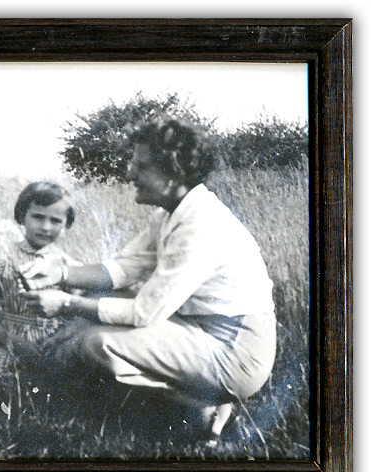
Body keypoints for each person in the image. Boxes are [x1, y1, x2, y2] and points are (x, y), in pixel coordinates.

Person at [21, 117, 277, 443]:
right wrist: (61, 273)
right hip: (198, 330)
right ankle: (193, 400)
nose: (129, 172)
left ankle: (200, 404)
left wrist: (67, 304)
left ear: (173, 174)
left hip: (234, 354)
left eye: (141, 166)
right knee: (97, 298)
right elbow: (124, 268)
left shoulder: (200, 226)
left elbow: (144, 313)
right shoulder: (172, 212)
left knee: (97, 341)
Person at [0, 181, 81, 371]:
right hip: (8, 338)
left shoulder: (69, 266)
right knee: (5, 373)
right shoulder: (1, 260)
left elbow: (74, 314)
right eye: (38, 217)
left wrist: (58, 341)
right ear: (22, 217)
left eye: (55, 221)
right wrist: (12, 340)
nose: (46, 227)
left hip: (53, 342)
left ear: (66, 225)